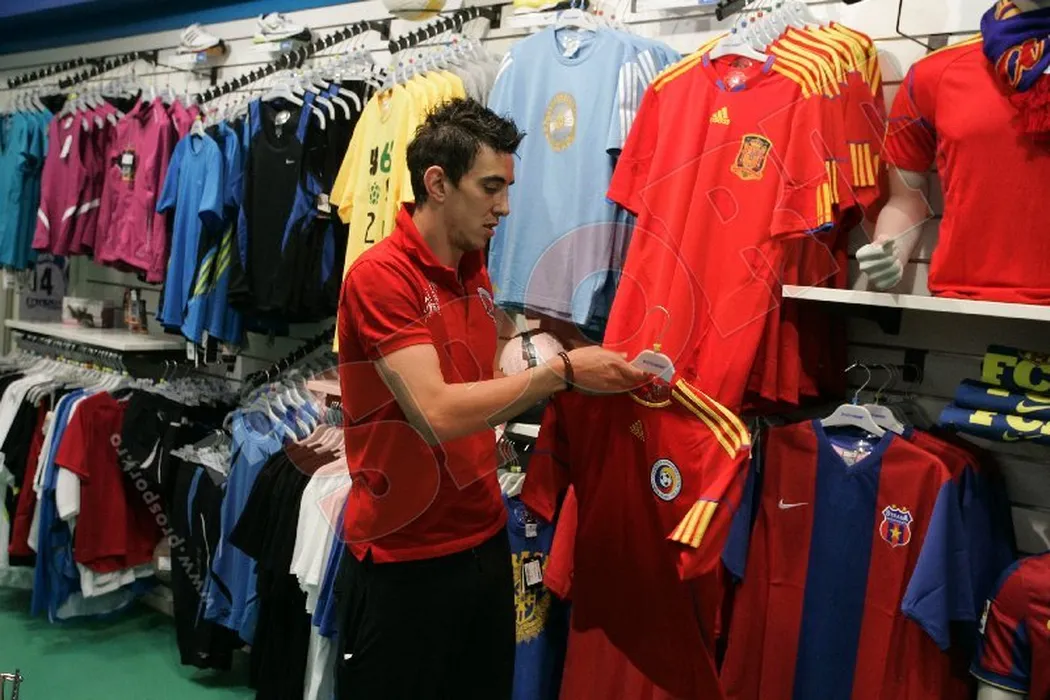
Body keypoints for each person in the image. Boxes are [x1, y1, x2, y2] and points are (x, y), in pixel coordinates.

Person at [334, 97, 649, 699]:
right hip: (404, 561)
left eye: (507, 187)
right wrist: (561, 372)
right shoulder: (381, 277)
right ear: (437, 184)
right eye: (490, 187)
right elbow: (434, 412)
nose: (504, 206)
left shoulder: (473, 264)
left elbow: (480, 366)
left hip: (481, 543)